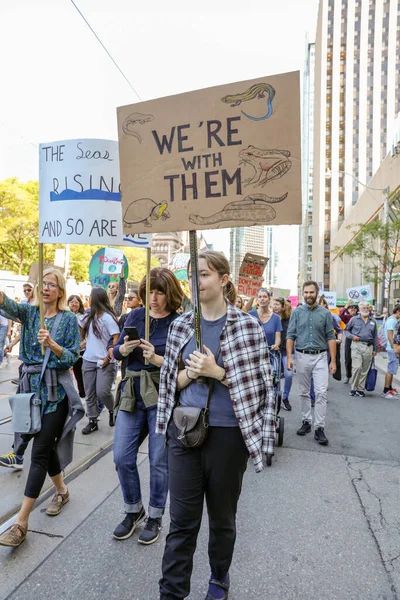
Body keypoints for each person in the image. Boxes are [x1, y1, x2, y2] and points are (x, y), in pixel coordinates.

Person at [157, 251, 275, 600]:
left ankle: (219, 576)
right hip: (185, 432)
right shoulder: (181, 325)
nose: (197, 281)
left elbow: (260, 385)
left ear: (224, 280)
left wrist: (217, 372)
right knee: (181, 523)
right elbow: (170, 383)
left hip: (228, 436)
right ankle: (172, 593)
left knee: (222, 519)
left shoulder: (247, 325)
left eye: (205, 274)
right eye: (193, 274)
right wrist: (190, 373)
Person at [0, 268, 83, 547]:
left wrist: (53, 346)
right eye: (43, 283)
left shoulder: (68, 319)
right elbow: (7, 305)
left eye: (52, 284)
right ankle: (61, 490)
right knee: (46, 449)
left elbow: (73, 356)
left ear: (60, 291)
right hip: (29, 391)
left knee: (39, 451)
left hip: (55, 394)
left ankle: (21, 523)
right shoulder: (29, 312)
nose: (46, 288)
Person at [112, 268, 183, 544]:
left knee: (158, 461)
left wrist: (159, 360)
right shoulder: (135, 315)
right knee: (121, 457)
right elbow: (116, 350)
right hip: (132, 393)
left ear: (170, 294)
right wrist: (124, 350)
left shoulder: (179, 323)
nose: (153, 298)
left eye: (160, 292)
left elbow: (185, 367)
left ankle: (155, 516)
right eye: (150, 291)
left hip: (161, 395)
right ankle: (134, 510)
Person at [286, 281, 336, 446]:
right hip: (301, 356)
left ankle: (319, 428)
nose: (308, 295)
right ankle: (306, 421)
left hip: (321, 356)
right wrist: (290, 357)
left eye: (311, 292)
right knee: (304, 392)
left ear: (317, 293)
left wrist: (333, 360)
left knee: (321, 393)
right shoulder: (297, 312)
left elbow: (331, 337)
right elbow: (291, 335)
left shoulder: (325, 313)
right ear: (302, 293)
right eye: (306, 292)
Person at [80, 288, 120, 433]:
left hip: (106, 361)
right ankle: (92, 420)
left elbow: (116, 338)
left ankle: (112, 410)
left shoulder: (108, 318)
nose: (89, 300)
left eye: (91, 297)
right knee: (89, 393)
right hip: (88, 360)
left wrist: (109, 357)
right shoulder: (88, 316)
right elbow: (80, 331)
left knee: (103, 392)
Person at [345, 301, 377, 397]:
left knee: (364, 369)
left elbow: (375, 336)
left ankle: (360, 389)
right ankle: (353, 387)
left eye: (367, 308)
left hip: (368, 346)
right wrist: (352, 336)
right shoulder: (354, 320)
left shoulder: (373, 321)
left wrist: (375, 349)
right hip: (356, 345)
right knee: (357, 367)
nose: (365, 310)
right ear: (359, 309)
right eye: (363, 308)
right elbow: (346, 330)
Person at [272, 297, 293, 411]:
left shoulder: (289, 319)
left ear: (283, 307)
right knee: (275, 375)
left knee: (288, 375)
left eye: (277, 304)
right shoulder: (270, 318)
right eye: (273, 304)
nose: (275, 306)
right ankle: (275, 397)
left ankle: (285, 397)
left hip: (288, 351)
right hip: (274, 352)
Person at [68, 295, 86, 399]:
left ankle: (83, 394)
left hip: (81, 349)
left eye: (76, 302)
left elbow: (86, 334)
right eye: (71, 302)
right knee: (73, 374)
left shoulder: (83, 317)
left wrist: (83, 344)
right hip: (68, 349)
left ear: (80, 304)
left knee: (81, 374)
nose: (74, 304)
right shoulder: (64, 316)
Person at [381, 304, 400, 398]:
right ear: (398, 312)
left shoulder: (393, 320)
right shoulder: (392, 321)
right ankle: (386, 390)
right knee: (391, 369)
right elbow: (390, 336)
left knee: (392, 368)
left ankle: (390, 388)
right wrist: (394, 348)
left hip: (392, 348)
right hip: (392, 348)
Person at [339, 301, 359, 384]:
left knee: (357, 359)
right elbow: (339, 316)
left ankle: (355, 376)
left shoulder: (360, 317)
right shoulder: (347, 317)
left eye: (355, 308)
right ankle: (348, 375)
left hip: (358, 339)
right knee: (348, 358)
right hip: (349, 339)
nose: (353, 310)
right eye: (351, 308)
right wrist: (345, 307)